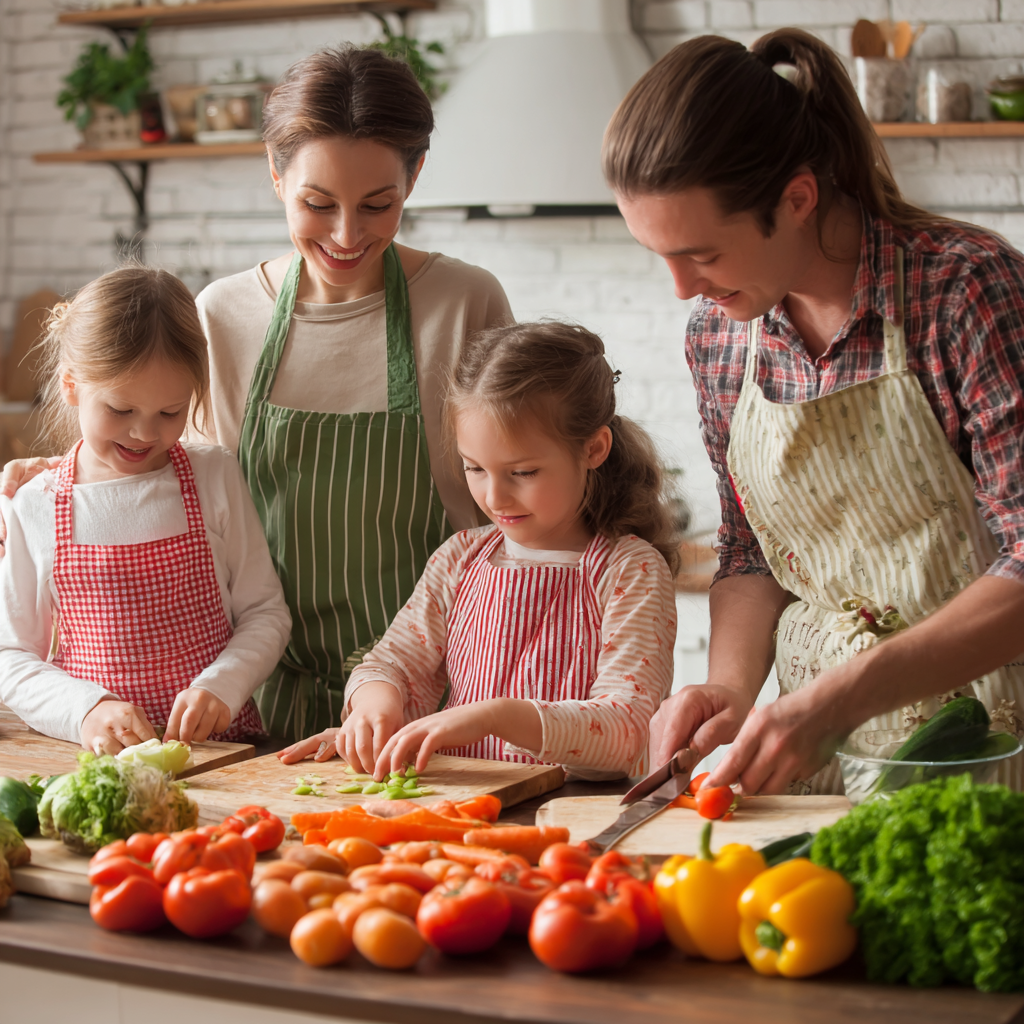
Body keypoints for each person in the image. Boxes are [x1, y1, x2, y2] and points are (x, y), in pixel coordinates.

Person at [1, 46, 512, 742]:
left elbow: (511, 489)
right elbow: (170, 468)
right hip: (258, 698)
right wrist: (55, 478)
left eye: (378, 205)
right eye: (317, 203)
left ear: (415, 175)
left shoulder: (466, 303)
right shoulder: (221, 315)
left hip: (427, 689)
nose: (346, 235)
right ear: (275, 176)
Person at [602, 28, 1024, 794]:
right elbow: (751, 550)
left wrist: (844, 698)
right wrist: (729, 691)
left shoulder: (962, 291)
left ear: (796, 199)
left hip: (987, 747)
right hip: (817, 759)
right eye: (656, 255)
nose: (681, 289)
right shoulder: (722, 337)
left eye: (700, 253)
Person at [279, 322, 679, 779]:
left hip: (580, 817)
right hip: (462, 809)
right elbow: (393, 664)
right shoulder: (460, 557)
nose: (494, 497)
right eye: (474, 468)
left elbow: (626, 729)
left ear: (593, 448)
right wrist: (375, 707)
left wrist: (495, 716)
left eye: (523, 472)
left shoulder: (629, 569)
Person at [0, 267, 291, 754]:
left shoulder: (213, 475)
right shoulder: (36, 504)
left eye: (170, 413)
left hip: (224, 754)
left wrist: (222, 684)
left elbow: (265, 613)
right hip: (100, 765)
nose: (144, 434)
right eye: (120, 409)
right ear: (72, 386)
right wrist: (86, 710)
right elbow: (12, 657)